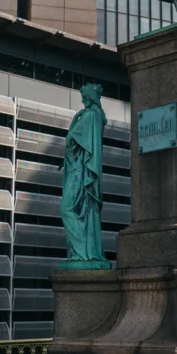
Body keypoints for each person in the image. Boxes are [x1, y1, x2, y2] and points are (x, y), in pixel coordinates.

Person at [60, 83, 109, 264]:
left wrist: (75, 119)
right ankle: (87, 251)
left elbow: (70, 141)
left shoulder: (88, 116)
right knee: (87, 212)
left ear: (89, 98)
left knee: (66, 209)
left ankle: (81, 251)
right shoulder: (98, 117)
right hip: (86, 172)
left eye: (84, 98)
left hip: (80, 173)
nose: (82, 101)